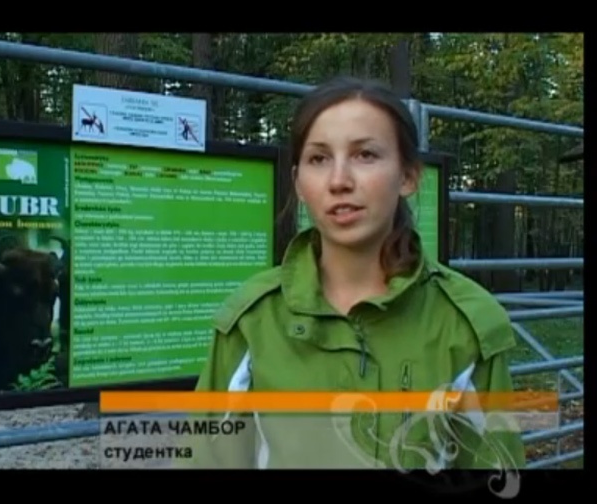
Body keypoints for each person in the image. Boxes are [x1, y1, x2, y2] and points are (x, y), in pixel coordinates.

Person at [180, 76, 526, 470]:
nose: (339, 181)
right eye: (318, 159)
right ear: (299, 183)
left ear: (408, 176)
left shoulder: (465, 325)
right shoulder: (252, 320)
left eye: (365, 155)